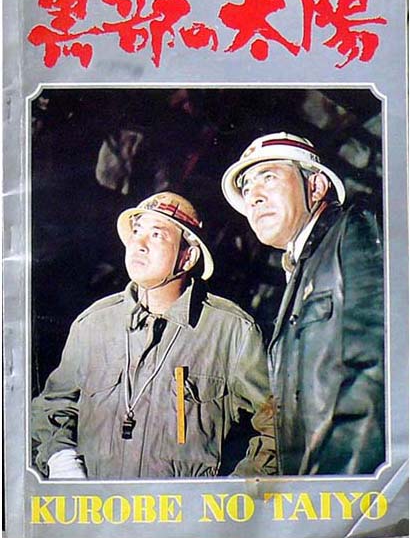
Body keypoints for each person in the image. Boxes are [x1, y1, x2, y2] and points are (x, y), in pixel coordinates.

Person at [32, 191, 276, 479]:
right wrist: (61, 458)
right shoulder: (93, 325)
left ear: (187, 257)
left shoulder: (231, 332)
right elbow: (53, 406)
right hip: (98, 505)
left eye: (157, 234)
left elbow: (277, 425)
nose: (139, 244)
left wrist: (234, 494)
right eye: (136, 232)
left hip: (183, 509)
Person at [221, 132, 384, 475]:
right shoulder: (300, 272)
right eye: (247, 188)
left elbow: (377, 367)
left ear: (316, 186)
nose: (254, 197)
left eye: (268, 177)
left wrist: (346, 491)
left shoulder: (354, 229)